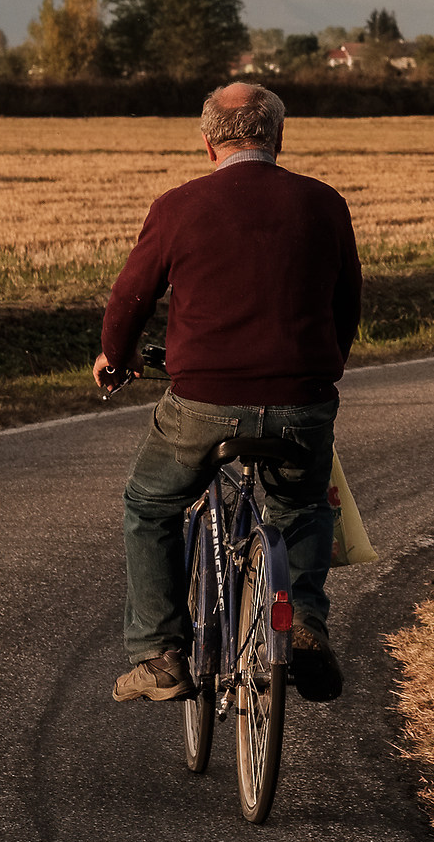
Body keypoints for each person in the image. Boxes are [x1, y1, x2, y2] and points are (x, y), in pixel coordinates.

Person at [95, 82, 362, 705]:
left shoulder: (178, 206)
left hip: (203, 403)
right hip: (303, 400)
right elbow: (345, 305)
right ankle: (307, 630)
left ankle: (160, 654)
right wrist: (321, 372)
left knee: (151, 505)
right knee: (301, 508)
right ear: (277, 136)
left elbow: (131, 297)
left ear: (208, 142)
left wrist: (117, 354)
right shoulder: (325, 205)